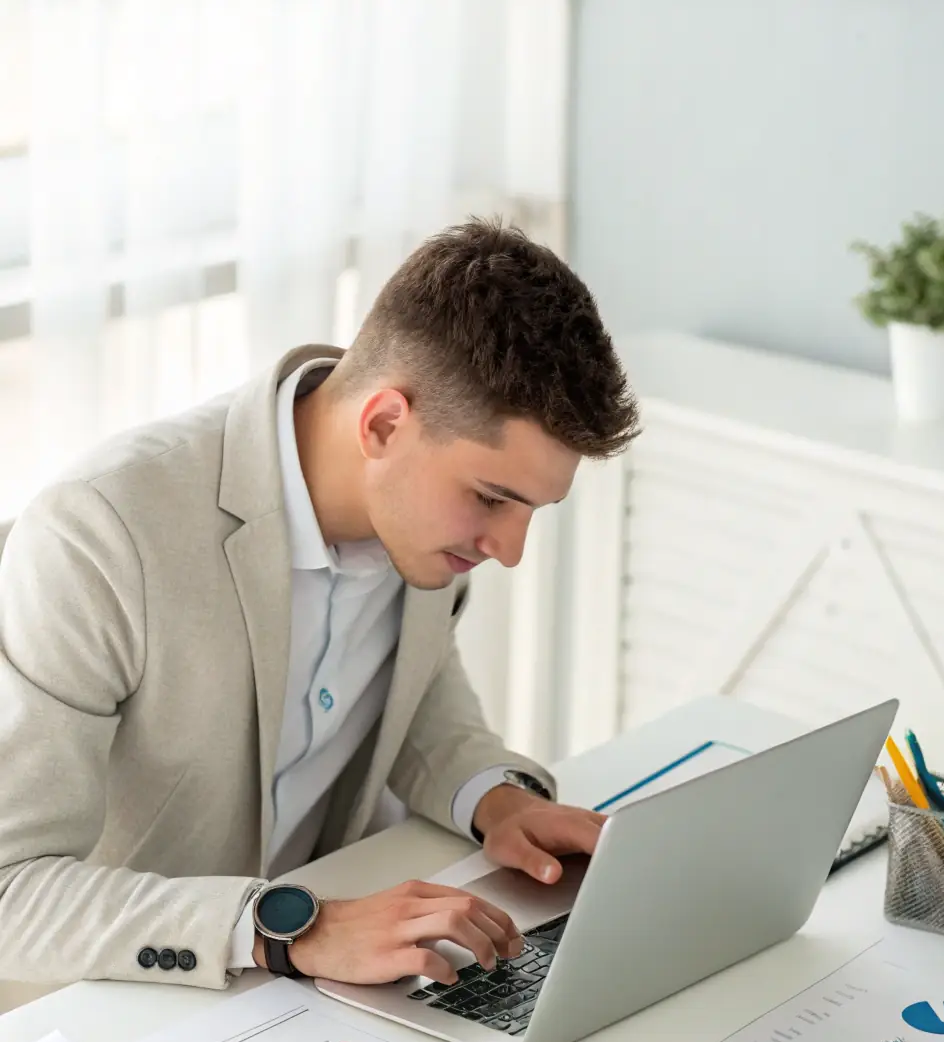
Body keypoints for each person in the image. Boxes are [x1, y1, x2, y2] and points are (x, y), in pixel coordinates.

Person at [0, 219, 640, 991]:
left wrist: (497, 801)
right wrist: (291, 929)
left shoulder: (424, 529)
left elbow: (422, 714)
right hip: (127, 1002)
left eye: (532, 509)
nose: (509, 549)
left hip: (324, 998)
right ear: (384, 423)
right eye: (491, 498)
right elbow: (8, 891)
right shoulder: (101, 534)